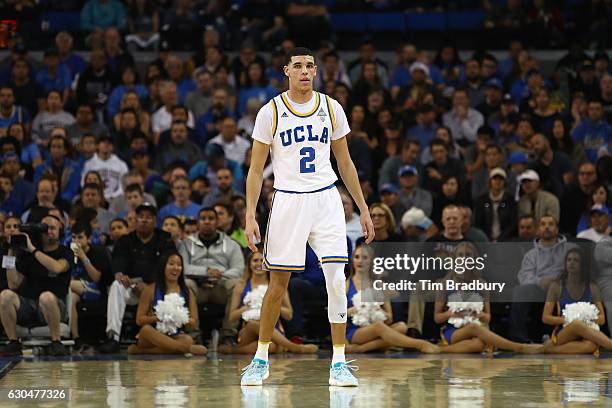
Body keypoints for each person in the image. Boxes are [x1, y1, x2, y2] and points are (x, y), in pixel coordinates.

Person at [241, 47, 374, 387]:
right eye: (297, 66)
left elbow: (345, 164)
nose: (304, 71)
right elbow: (256, 170)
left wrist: (362, 208)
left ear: (316, 72)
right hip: (287, 200)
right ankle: (260, 358)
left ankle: (340, 362)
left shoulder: (331, 108)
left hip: (327, 199)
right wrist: (250, 214)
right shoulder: (270, 111)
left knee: (335, 279)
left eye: (309, 66)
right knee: (277, 285)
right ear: (286, 70)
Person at [435, 243, 543, 354]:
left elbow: (488, 317)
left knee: (478, 345)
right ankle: (518, 347)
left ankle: (440, 350)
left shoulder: (482, 284)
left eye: (468, 255)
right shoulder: (444, 284)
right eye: (460, 255)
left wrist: (480, 315)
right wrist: (451, 313)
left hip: (477, 328)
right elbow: (437, 317)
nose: (464, 259)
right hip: (454, 332)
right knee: (474, 328)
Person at [98, 203, 175, 353]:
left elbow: (169, 265)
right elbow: (118, 261)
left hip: (157, 287)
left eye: (149, 217)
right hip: (132, 285)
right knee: (116, 285)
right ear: (135, 220)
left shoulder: (165, 239)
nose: (144, 220)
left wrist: (149, 287)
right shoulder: (125, 240)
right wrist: (119, 274)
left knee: (171, 288)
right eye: (141, 217)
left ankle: (167, 335)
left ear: (155, 220)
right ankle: (113, 337)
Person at [219, 249, 318, 354]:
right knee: (253, 324)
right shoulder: (240, 286)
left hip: (275, 331)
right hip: (248, 331)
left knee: (270, 347)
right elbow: (232, 317)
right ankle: (293, 347)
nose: (258, 264)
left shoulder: (278, 285)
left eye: (262, 260)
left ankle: (233, 350)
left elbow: (289, 315)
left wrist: (270, 305)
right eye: (255, 260)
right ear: (249, 264)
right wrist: (248, 307)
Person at [344, 244, 438, 354]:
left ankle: (362, 348)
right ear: (352, 260)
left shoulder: (379, 285)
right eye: (357, 257)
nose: (360, 261)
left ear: (371, 261)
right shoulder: (345, 284)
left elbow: (389, 318)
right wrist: (350, 311)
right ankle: (420, 344)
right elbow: (335, 317)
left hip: (376, 328)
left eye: (365, 257)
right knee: (379, 327)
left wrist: (378, 312)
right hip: (355, 331)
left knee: (402, 327)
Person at [0, 215, 72, 356]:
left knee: (46, 297)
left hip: (55, 305)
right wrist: (11, 251)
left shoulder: (65, 252)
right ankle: (13, 342)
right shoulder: (27, 254)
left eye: (52, 228)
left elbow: (56, 268)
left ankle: (56, 342)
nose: (48, 231)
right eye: (45, 228)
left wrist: (33, 249)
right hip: (29, 305)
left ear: (60, 232)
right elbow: (13, 284)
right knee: (5, 295)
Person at [178, 207, 245, 344]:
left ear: (217, 222)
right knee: (186, 284)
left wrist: (220, 274)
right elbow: (181, 267)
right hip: (197, 287)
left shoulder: (231, 244)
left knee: (238, 284)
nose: (207, 222)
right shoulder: (186, 244)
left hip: (221, 286)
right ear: (198, 223)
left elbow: (239, 269)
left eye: (211, 219)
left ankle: (228, 334)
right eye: (203, 219)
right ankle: (194, 334)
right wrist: (205, 272)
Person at [127, 251, 206, 355]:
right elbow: (139, 320)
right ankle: (186, 349)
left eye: (179, 265)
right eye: (171, 264)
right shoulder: (150, 290)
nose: (175, 268)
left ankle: (142, 352)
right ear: (163, 266)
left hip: (174, 335)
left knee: (187, 340)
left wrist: (178, 317)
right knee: (146, 330)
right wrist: (160, 317)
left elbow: (193, 321)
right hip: (153, 335)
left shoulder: (187, 292)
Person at [510, 214, 568, 342]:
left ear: (557, 229)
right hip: (538, 288)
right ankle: (520, 339)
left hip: (561, 287)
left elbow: (575, 270)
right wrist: (540, 281)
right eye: (543, 224)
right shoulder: (530, 255)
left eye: (550, 224)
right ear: (538, 230)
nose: (546, 227)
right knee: (520, 290)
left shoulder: (569, 250)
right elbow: (524, 276)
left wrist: (556, 281)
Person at [542, 248, 612, 354]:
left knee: (591, 346)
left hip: (587, 332)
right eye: (569, 260)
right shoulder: (556, 286)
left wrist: (586, 320)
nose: (571, 263)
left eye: (576, 260)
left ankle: (548, 349)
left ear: (582, 264)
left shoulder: (593, 287)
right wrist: (569, 319)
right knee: (576, 324)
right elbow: (545, 318)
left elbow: (602, 319)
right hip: (563, 333)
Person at [69, 222, 111, 352]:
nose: (76, 241)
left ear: (89, 238)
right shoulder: (69, 252)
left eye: (80, 237)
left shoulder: (99, 251)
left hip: (97, 289)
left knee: (65, 284)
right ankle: (76, 338)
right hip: (77, 288)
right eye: (74, 237)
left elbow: (96, 277)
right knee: (70, 298)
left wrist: (83, 257)